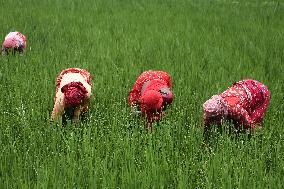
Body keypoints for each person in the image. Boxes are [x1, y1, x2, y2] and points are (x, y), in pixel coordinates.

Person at [203, 79, 270, 130]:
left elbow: (248, 123)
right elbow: (206, 123)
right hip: (243, 87)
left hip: (259, 92)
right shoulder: (213, 106)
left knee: (252, 123)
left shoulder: (235, 109)